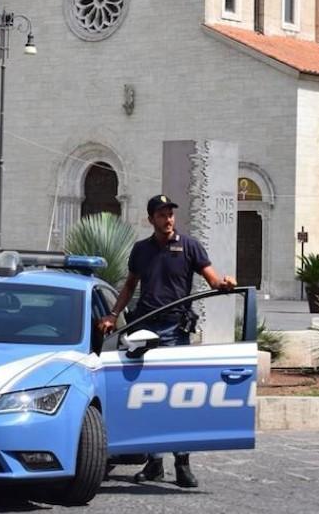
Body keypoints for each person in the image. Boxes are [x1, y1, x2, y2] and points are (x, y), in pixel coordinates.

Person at [98, 194, 236, 489]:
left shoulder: (190, 246)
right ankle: (154, 463)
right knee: (148, 396)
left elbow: (212, 280)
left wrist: (224, 284)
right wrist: (113, 314)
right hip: (145, 331)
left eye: (170, 214)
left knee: (176, 399)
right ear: (151, 219)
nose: (168, 219)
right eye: (162, 215)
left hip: (175, 330)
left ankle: (182, 463)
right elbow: (130, 285)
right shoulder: (141, 250)